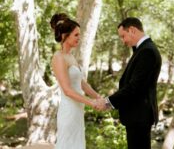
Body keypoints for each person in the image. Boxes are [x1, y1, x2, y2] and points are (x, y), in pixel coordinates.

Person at [99, 17, 162, 149]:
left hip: (139, 116)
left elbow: (134, 87)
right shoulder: (142, 49)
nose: (123, 41)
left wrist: (108, 102)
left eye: (123, 36)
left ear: (132, 30)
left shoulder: (147, 51)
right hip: (137, 116)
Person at [50, 13, 104, 149]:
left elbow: (82, 84)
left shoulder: (71, 57)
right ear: (64, 36)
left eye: (79, 35)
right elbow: (67, 91)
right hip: (68, 111)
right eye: (76, 35)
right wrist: (91, 103)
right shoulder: (58, 57)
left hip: (78, 111)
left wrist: (99, 98)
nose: (79, 38)